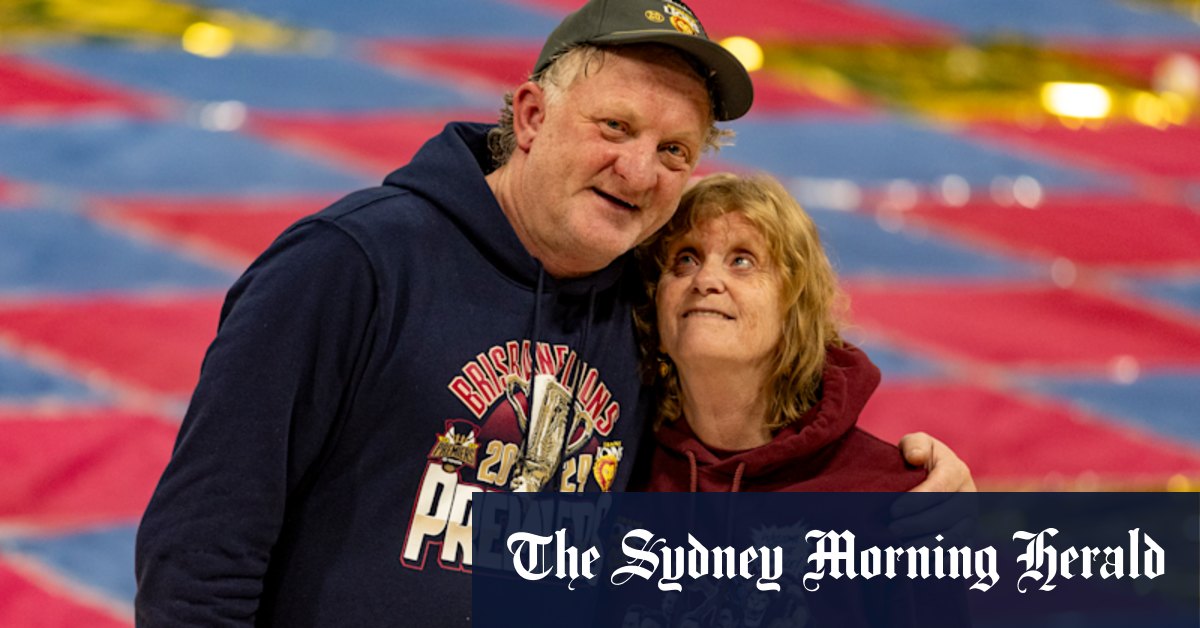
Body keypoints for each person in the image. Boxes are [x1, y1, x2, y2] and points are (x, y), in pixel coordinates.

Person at [135, 1, 972, 626]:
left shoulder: (646, 311)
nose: (639, 171)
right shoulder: (349, 266)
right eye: (616, 126)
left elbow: (742, 446)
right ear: (532, 117)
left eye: (673, 151)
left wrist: (907, 486)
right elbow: (200, 554)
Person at [634, 172, 934, 492]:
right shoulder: (612, 465)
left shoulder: (893, 493)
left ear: (793, 309)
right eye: (686, 259)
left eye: (742, 261)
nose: (705, 279)